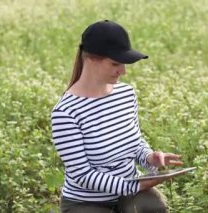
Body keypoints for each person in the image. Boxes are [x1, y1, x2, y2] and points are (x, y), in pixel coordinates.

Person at [51, 20, 183, 213]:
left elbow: (135, 143)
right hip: (86, 202)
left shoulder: (126, 94)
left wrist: (150, 158)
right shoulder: (66, 112)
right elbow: (82, 175)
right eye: (115, 63)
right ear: (91, 59)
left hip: (128, 192)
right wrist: (134, 186)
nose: (123, 71)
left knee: (152, 208)